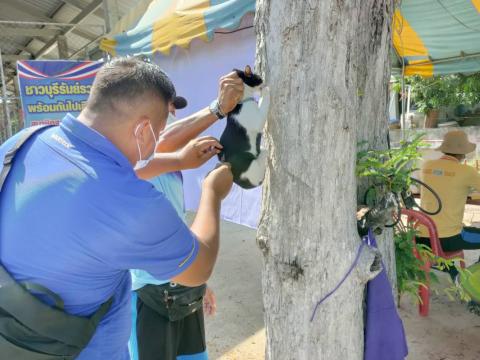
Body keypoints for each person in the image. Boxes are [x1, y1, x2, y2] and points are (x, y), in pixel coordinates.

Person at [0, 57, 243, 360]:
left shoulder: (22, 144)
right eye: (158, 131)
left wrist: (179, 160)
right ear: (143, 129)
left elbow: (103, 167)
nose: (157, 144)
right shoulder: (130, 202)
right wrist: (212, 192)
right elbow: (199, 266)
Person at [129, 95, 219, 360]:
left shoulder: (173, 171)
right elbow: (164, 143)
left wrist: (201, 281)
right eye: (163, 114)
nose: (170, 120)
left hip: (184, 288)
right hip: (147, 294)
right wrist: (218, 109)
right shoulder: (128, 164)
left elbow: (179, 227)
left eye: (171, 113)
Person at [418, 130, 480, 252]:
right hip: (448, 239)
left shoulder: (426, 165)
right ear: (463, 153)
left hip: (422, 237)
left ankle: (452, 270)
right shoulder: (466, 171)